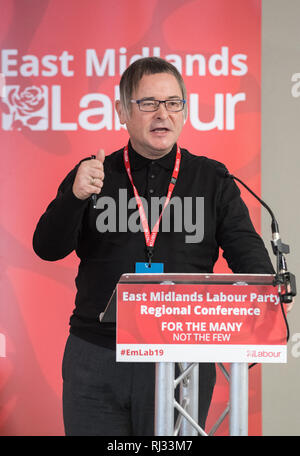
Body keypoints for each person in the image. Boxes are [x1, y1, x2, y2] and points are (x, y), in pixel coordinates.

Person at [33, 57, 276, 436]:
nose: (162, 113)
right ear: (121, 111)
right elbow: (46, 248)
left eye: (172, 103)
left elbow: (246, 249)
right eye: (148, 103)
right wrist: (75, 197)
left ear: (184, 109)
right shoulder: (94, 174)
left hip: (183, 358)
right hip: (97, 355)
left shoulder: (213, 178)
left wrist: (268, 292)